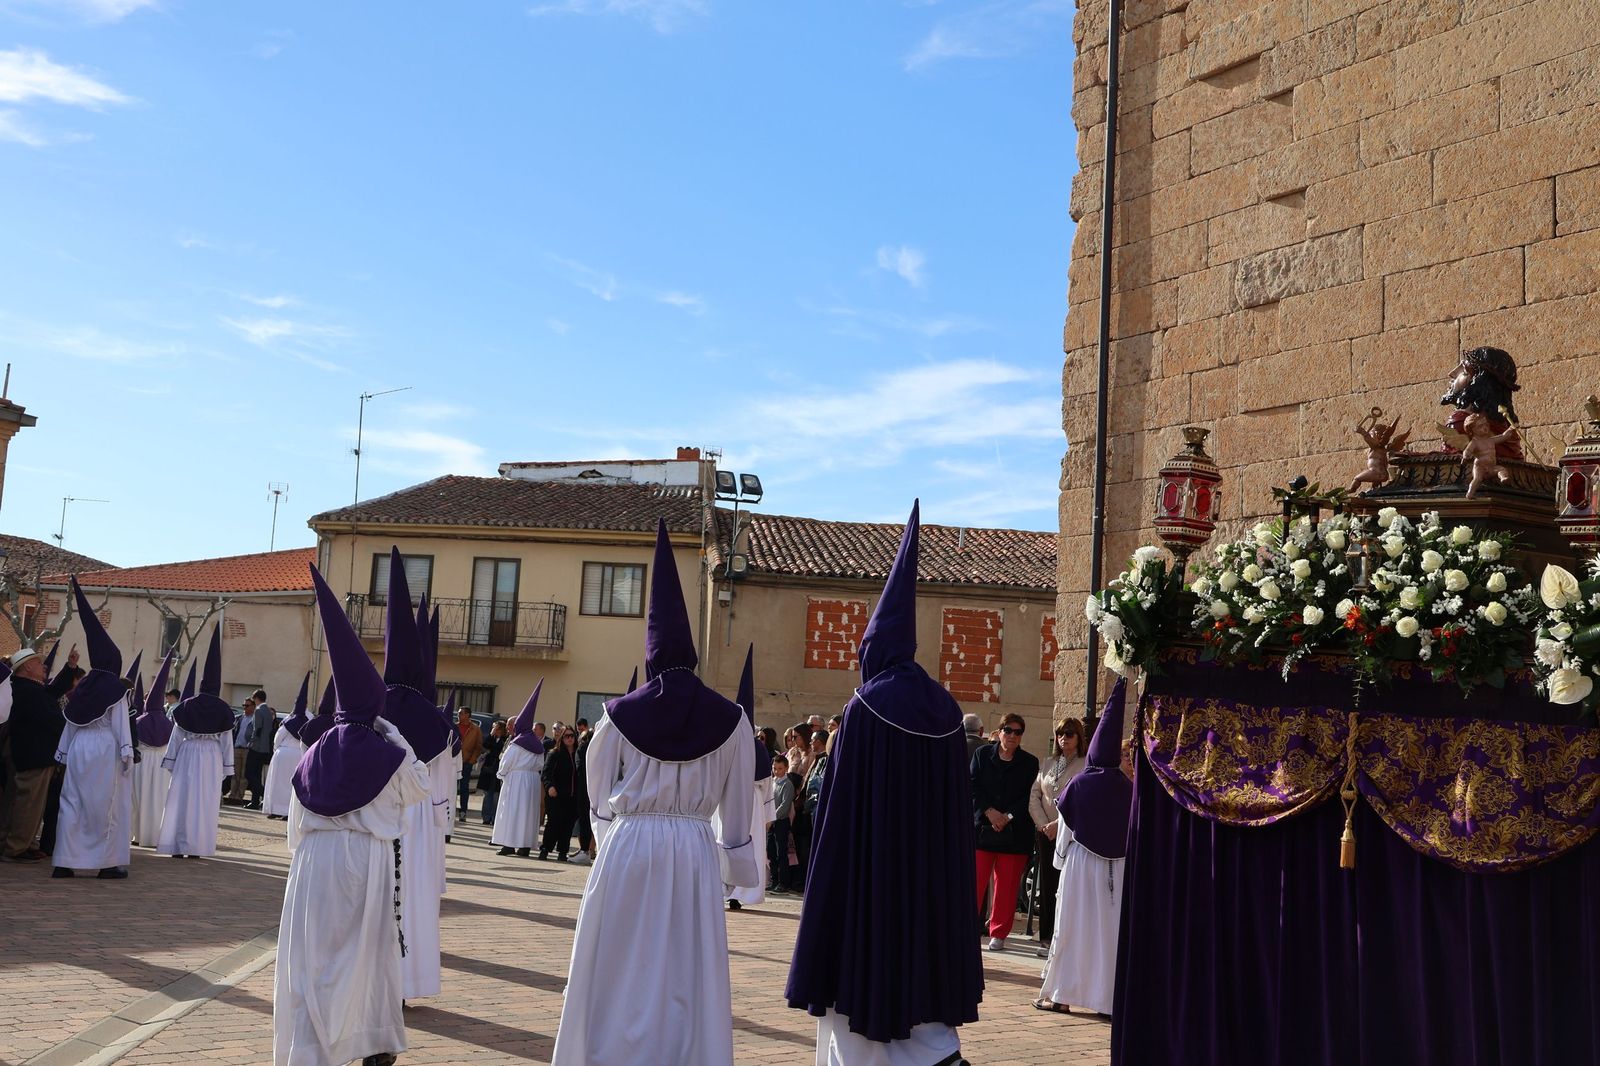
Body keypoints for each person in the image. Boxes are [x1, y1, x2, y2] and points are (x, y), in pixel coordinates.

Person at [552, 519, 757, 1066]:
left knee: (619, 963)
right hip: (692, 852)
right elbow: (737, 810)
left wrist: (605, 832)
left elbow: (596, 788)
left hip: (630, 847)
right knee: (685, 969)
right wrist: (738, 867)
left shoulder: (617, 717)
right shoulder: (732, 721)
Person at [787, 502, 982, 1066]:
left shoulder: (865, 706)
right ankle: (932, 1053)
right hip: (930, 865)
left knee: (869, 951)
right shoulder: (945, 707)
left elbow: (840, 803)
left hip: (872, 863)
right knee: (922, 946)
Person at [274, 563, 433, 1066]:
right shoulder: (388, 752)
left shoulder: (314, 750)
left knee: (313, 958)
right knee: (368, 955)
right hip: (367, 861)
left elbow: (296, 817)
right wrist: (395, 734)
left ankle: (311, 1048)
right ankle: (374, 1042)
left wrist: (301, 856)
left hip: (314, 861)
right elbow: (420, 787)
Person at [373, 551, 452, 1003]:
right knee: (414, 903)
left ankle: (376, 983)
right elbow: (439, 791)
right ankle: (407, 982)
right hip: (419, 821)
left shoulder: (369, 708)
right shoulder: (434, 720)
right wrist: (439, 826)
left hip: (378, 818)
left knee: (377, 900)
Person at [1035, 680, 1134, 1017]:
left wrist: (1060, 861)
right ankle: (1107, 1001)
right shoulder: (1128, 788)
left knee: (1072, 928)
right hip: (1117, 870)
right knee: (1109, 934)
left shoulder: (1080, 782)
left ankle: (1061, 995)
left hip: (1080, 865)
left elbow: (1065, 829)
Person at [52, 579, 135, 880]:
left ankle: (64, 861)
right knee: (105, 805)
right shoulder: (115, 689)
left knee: (72, 801)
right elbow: (120, 724)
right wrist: (127, 753)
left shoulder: (83, 687)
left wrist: (61, 753)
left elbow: (71, 722)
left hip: (78, 749)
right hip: (104, 748)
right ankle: (107, 863)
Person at [159, 630, 235, 859]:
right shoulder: (223, 709)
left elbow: (176, 735)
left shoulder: (187, 705)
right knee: (204, 802)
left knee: (182, 798)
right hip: (211, 756)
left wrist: (171, 760)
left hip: (188, 752)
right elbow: (226, 741)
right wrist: (226, 768)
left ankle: (178, 845)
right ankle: (197, 847)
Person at [3, 644, 79, 862]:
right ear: (26, 667)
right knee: (28, 804)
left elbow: (52, 692)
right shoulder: (27, 690)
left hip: (35, 753)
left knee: (31, 805)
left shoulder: (29, 687)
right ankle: (15, 847)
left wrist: (70, 667)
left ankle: (24, 843)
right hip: (33, 754)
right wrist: (75, 724)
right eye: (38, 662)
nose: (43, 666)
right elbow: (50, 717)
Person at [972, 711, 1039, 952]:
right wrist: (990, 812)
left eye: (1017, 732)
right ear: (999, 732)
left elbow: (1028, 796)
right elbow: (972, 786)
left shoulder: (1030, 763)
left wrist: (1007, 817)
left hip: (1014, 833)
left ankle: (998, 933)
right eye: (1008, 730)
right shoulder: (981, 755)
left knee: (1007, 886)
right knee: (974, 881)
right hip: (983, 829)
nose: (1012, 735)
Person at [1028, 716, 1086, 957]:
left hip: (1069, 834)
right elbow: (1034, 797)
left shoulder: (1084, 764)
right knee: (1048, 884)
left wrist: (1056, 825)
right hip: (1045, 834)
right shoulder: (1048, 763)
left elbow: (1081, 801)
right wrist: (1043, 825)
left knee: (1067, 886)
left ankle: (1065, 938)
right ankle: (1046, 936)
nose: (1064, 738)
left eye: (1070, 734)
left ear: (1079, 738)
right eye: (1061, 734)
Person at [721, 645, 773, 910]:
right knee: (745, 843)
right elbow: (766, 785)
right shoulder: (756, 746)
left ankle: (732, 889)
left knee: (729, 840)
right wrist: (767, 813)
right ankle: (741, 892)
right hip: (750, 802)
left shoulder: (730, 743)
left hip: (731, 799)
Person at [493, 681, 547, 857]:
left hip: (516, 780)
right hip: (532, 780)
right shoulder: (538, 744)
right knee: (527, 813)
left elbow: (506, 763)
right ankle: (524, 846)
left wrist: (501, 775)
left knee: (512, 811)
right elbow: (540, 764)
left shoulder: (517, 743)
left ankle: (509, 844)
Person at [131, 654, 177, 847]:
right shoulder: (168, 723)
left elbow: (133, 741)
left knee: (140, 799)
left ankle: (139, 835)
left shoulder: (139, 721)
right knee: (158, 800)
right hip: (161, 764)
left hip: (142, 763)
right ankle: (156, 835)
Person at [263, 675, 311, 821]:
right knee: (292, 785)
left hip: (283, 754)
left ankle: (275, 809)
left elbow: (278, 737)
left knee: (277, 783)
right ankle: (287, 812)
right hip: (299, 754)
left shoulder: (289, 719)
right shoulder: (310, 719)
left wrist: (276, 750)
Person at [540, 727, 580, 861]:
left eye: (572, 736)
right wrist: (549, 786)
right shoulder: (555, 753)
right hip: (556, 795)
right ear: (561, 739)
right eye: (566, 736)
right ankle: (545, 848)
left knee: (568, 825)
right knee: (553, 822)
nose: (569, 738)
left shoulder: (579, 754)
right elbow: (546, 773)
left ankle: (563, 851)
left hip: (573, 796)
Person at [768, 753, 795, 893]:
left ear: (786, 768)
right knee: (771, 852)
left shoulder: (787, 784)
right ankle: (774, 880)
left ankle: (784, 883)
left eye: (779, 768)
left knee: (781, 853)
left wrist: (772, 818)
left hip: (780, 823)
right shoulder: (772, 783)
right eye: (774, 768)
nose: (776, 771)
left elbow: (784, 806)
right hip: (770, 823)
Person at [244, 688, 274, 810]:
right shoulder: (268, 711)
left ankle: (263, 795)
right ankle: (255, 801)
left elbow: (257, 730)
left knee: (249, 773)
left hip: (256, 747)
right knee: (256, 774)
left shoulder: (258, 711)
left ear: (256, 698)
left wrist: (251, 743)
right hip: (265, 748)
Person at [455, 705, 483, 822]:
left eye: (461, 713)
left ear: (467, 715)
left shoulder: (475, 729)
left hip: (466, 762)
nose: (458, 715)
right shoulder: (454, 726)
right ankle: (451, 809)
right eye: (459, 713)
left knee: (464, 788)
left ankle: (463, 811)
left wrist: (472, 760)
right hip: (453, 762)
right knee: (452, 787)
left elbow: (478, 746)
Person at [479, 719, 506, 826]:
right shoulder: (491, 738)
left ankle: (495, 818)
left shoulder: (504, 740)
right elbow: (485, 745)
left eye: (496, 728)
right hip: (488, 770)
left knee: (496, 796)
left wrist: (492, 750)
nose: (494, 730)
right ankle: (486, 817)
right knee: (487, 795)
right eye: (493, 728)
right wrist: (491, 735)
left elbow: (498, 750)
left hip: (498, 770)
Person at [227, 696, 252, 804]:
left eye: (247, 705)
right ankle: (232, 795)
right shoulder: (239, 718)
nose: (245, 708)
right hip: (237, 748)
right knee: (234, 774)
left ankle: (239, 797)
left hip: (247, 749)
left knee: (243, 775)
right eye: (244, 705)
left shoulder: (255, 719)